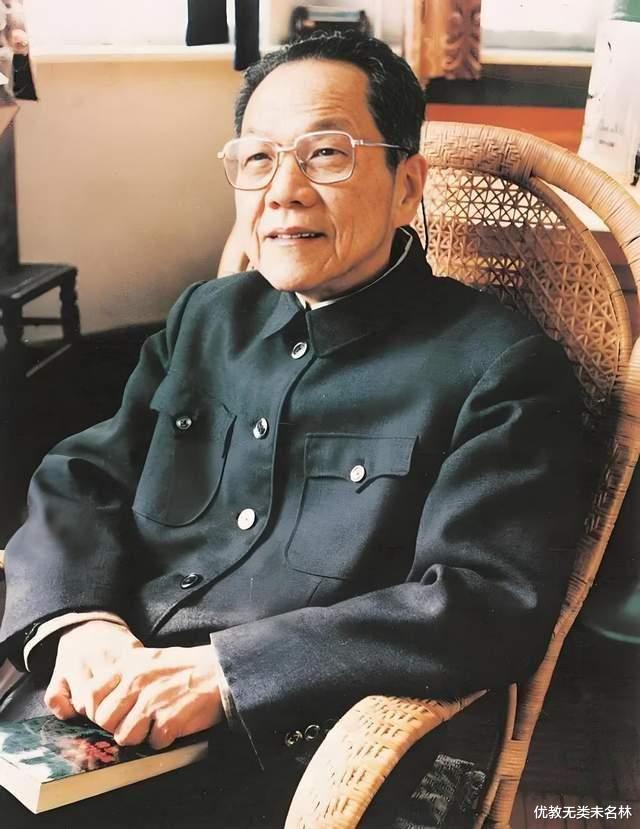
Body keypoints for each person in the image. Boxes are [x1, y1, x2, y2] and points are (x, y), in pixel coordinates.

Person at [0, 31, 586, 827]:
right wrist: (80, 624)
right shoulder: (208, 315)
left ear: (407, 185)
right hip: (86, 698)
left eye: (326, 155)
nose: (283, 191)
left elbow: (485, 601)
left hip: (286, 752)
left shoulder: (498, 365)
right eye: (258, 158)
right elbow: (84, 475)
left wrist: (227, 673)